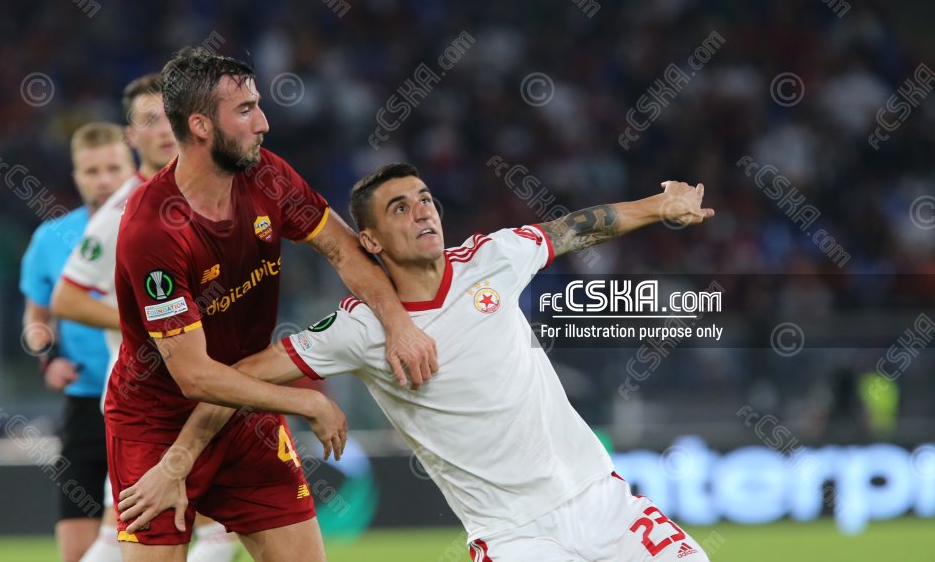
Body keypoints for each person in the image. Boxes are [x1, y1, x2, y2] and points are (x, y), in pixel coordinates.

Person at [117, 163, 717, 561]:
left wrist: (661, 204)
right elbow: (238, 378)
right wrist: (178, 461)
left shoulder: (493, 258)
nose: (423, 212)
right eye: (400, 208)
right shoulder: (357, 329)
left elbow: (578, 227)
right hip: (516, 538)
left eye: (425, 200)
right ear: (370, 241)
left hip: (603, 500)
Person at [105, 48, 438, 560]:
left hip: (245, 410)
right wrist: (308, 401)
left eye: (257, 105)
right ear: (200, 126)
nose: (263, 123)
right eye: (245, 110)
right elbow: (194, 376)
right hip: (157, 425)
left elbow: (344, 249)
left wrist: (399, 324)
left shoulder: (268, 176)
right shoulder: (154, 229)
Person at [51, 74, 239, 562]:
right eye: (149, 120)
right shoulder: (123, 209)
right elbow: (66, 298)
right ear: (131, 136)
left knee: (190, 527)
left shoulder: (212, 193)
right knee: (170, 528)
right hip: (148, 397)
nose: (163, 129)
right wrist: (144, 324)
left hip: (209, 385)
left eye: (168, 116)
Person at [19, 122, 136, 562]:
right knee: (78, 552)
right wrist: (47, 356)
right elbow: (37, 320)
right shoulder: (50, 240)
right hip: (87, 403)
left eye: (113, 168)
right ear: (76, 177)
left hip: (148, 399)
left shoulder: (156, 228)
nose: (103, 180)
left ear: (132, 169)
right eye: (92, 171)